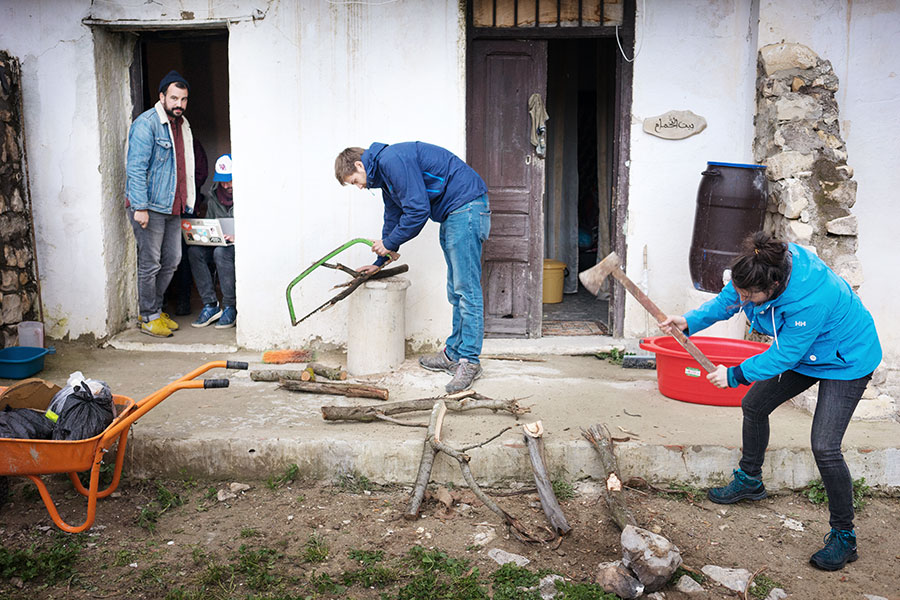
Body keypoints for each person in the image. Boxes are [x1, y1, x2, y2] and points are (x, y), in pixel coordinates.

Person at [660, 231, 882, 572]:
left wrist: (735, 375)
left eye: (752, 295)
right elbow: (728, 301)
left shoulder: (811, 297)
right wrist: (690, 321)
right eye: (743, 291)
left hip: (846, 358)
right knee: (755, 405)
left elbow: (784, 353)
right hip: (807, 353)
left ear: (775, 285)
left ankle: (844, 535)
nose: (745, 300)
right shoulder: (760, 265)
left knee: (824, 446)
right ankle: (750, 481)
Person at [335, 142, 490, 393]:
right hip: (455, 213)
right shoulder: (385, 174)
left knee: (466, 290)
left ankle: (469, 361)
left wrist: (389, 243)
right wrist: (379, 262)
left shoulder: (392, 161)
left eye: (354, 181)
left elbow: (418, 211)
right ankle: (453, 355)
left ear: (359, 165)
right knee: (456, 290)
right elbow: (393, 217)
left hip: (467, 209)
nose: (359, 187)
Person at [125, 70, 196, 337]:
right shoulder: (147, 124)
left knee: (173, 260)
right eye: (174, 98)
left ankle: (154, 309)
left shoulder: (182, 125)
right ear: (162, 96)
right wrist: (140, 207)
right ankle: (148, 315)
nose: (179, 104)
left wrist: (187, 202)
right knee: (150, 263)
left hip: (173, 206)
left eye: (184, 99)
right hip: (151, 206)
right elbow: (136, 168)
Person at [189, 154, 237, 329]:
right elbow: (209, 223)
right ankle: (210, 305)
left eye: (230, 180)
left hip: (235, 248)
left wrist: (238, 237)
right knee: (194, 252)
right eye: (223, 181)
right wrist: (204, 235)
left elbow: (256, 227)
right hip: (218, 243)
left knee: (221, 252)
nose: (226, 185)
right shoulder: (214, 197)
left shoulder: (248, 195)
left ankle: (230, 306)